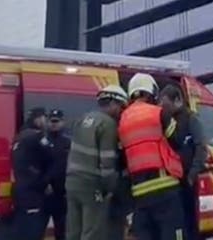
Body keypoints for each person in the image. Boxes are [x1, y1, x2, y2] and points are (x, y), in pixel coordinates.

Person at [119, 74, 186, 240]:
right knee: (173, 233)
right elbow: (177, 140)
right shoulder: (158, 113)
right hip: (165, 186)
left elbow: (122, 156)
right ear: (152, 92)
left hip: (139, 192)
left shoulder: (122, 120)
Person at [65, 84, 128, 240]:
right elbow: (107, 163)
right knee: (92, 232)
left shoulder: (82, 119)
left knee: (73, 231)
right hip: (92, 186)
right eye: (121, 107)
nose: (121, 112)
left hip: (72, 183)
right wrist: (110, 188)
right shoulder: (108, 124)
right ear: (113, 103)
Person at [159, 83, 206, 240]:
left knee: (190, 221)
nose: (164, 109)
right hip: (173, 180)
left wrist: (192, 174)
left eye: (167, 105)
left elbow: (201, 147)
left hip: (187, 180)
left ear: (177, 100)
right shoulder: (168, 120)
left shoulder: (191, 119)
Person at [9, 106, 55, 240]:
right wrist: (45, 182)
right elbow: (51, 155)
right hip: (33, 192)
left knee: (22, 228)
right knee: (33, 230)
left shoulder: (19, 136)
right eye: (44, 117)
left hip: (20, 190)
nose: (46, 121)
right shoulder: (37, 136)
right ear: (38, 119)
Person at [45, 109, 70, 240]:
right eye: (52, 121)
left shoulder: (68, 142)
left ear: (63, 122)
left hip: (62, 192)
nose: (54, 124)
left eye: (57, 121)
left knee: (62, 228)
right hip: (45, 191)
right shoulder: (42, 141)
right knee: (39, 227)